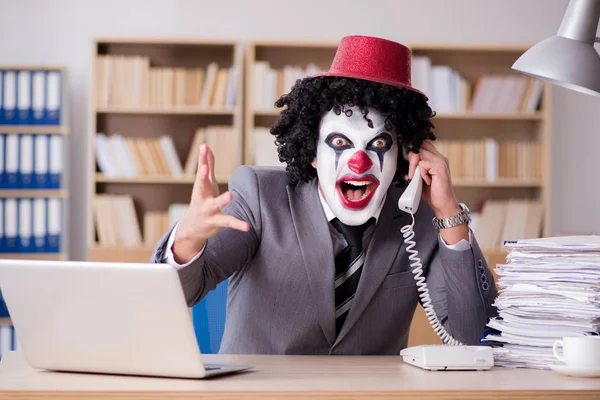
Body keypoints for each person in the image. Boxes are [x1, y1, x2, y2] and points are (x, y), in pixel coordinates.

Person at [151, 35, 498, 355]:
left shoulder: (418, 222)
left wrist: (449, 213)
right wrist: (189, 239)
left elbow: (475, 338)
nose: (359, 162)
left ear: (405, 154)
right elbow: (179, 292)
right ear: (313, 152)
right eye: (340, 143)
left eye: (378, 144)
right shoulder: (260, 196)